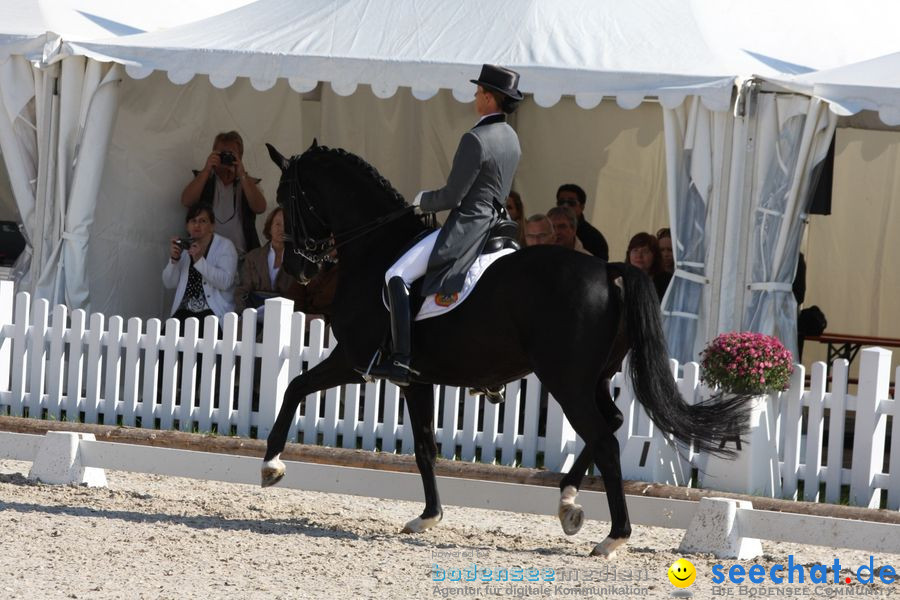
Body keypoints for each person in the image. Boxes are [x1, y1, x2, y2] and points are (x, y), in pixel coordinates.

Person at [368, 64, 523, 385]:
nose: (475, 96)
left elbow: (453, 195)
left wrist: (422, 200)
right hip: (500, 224)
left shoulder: (476, 138)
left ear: (491, 98)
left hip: (469, 224)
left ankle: (401, 359)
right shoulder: (511, 138)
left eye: (479, 91)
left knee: (395, 275)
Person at [180, 131, 267, 256]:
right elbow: (186, 201)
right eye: (222, 154)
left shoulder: (248, 183)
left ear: (240, 157)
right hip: (205, 254)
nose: (226, 158)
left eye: (231, 154)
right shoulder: (204, 178)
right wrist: (206, 170)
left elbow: (260, 208)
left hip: (241, 256)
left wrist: (242, 175)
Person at [162, 204, 238, 337]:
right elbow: (169, 283)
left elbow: (225, 282)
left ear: (212, 226)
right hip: (184, 311)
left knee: (204, 351)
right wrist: (174, 260)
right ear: (187, 226)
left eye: (203, 221)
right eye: (193, 221)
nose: (197, 225)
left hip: (212, 312)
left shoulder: (225, 246)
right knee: (164, 344)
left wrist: (199, 261)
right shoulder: (185, 246)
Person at [234, 207, 295, 314]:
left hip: (286, 314)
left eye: (287, 224)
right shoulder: (253, 257)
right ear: (269, 227)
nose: (282, 229)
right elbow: (242, 290)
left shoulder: (298, 260)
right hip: (253, 314)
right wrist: (244, 314)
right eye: (277, 224)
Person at [556, 183, 609, 260]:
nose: (565, 206)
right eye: (561, 202)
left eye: (571, 203)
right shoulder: (547, 230)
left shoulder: (594, 238)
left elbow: (600, 269)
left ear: (582, 207)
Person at [625, 231, 669, 301]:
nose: (639, 255)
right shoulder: (621, 279)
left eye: (645, 251)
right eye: (635, 250)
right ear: (629, 254)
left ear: (655, 256)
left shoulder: (667, 281)